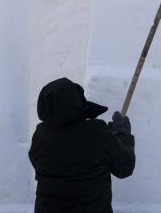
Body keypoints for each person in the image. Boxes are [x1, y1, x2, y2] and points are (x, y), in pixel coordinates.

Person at [29, 77, 135, 213]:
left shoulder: (40, 136)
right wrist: (122, 134)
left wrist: (108, 137)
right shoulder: (98, 132)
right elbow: (125, 167)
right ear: (73, 102)